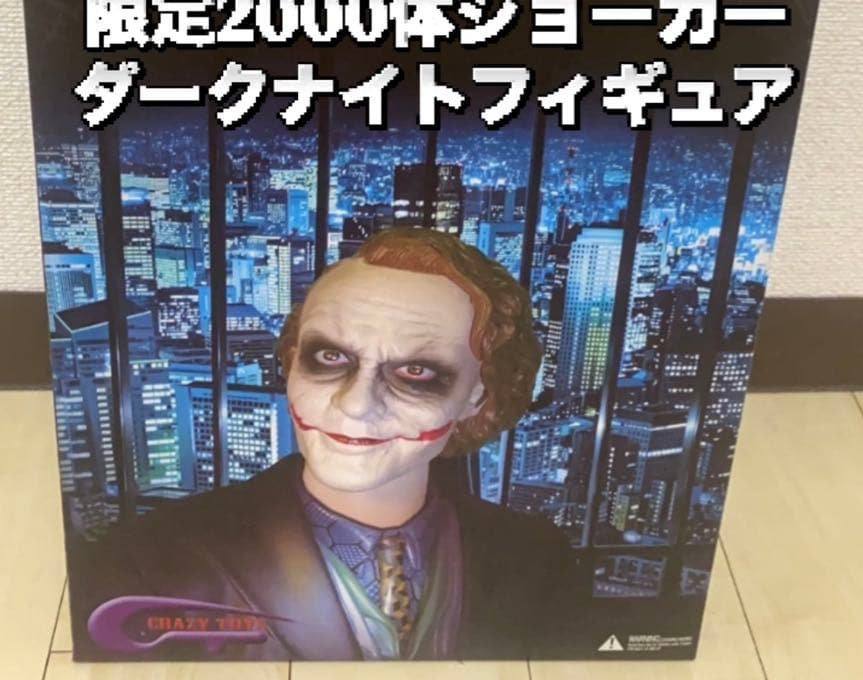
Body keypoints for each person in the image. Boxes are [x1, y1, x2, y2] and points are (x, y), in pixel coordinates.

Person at [73, 228, 584, 661]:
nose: (356, 405)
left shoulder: (535, 559)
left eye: (415, 371)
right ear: (292, 358)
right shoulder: (149, 563)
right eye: (329, 357)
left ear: (479, 395)